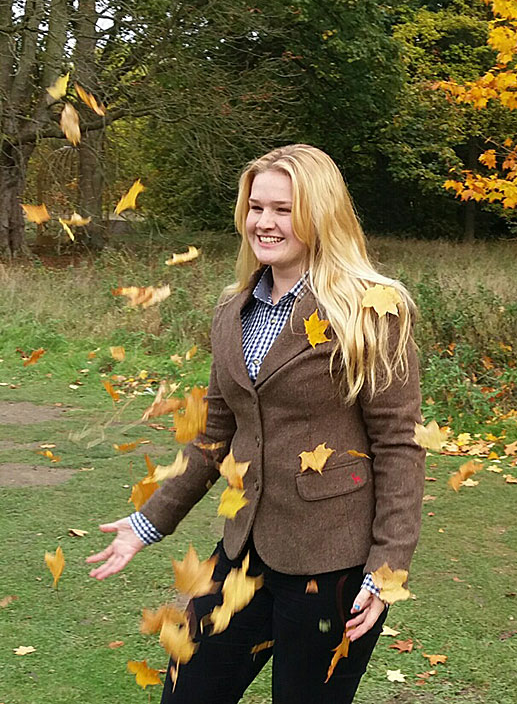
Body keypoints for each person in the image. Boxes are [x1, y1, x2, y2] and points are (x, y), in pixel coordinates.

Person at [86, 144, 425, 703]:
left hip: (334, 565)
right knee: (188, 692)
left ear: (321, 214)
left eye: (284, 209)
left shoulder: (370, 309)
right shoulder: (232, 308)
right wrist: (149, 522)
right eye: (256, 207)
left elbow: (399, 444)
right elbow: (215, 432)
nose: (265, 223)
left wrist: (388, 567)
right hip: (243, 549)